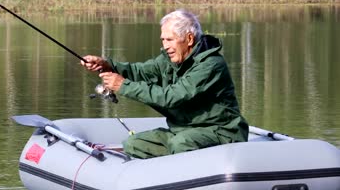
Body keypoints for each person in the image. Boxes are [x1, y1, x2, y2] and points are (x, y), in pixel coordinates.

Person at [81, 9, 248, 159]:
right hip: (184, 131)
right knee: (133, 143)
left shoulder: (211, 65)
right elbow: (141, 72)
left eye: (170, 40)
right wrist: (108, 65)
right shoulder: (170, 59)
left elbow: (172, 96)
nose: (165, 46)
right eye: (163, 40)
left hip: (223, 133)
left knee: (181, 144)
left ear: (189, 39)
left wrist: (123, 86)